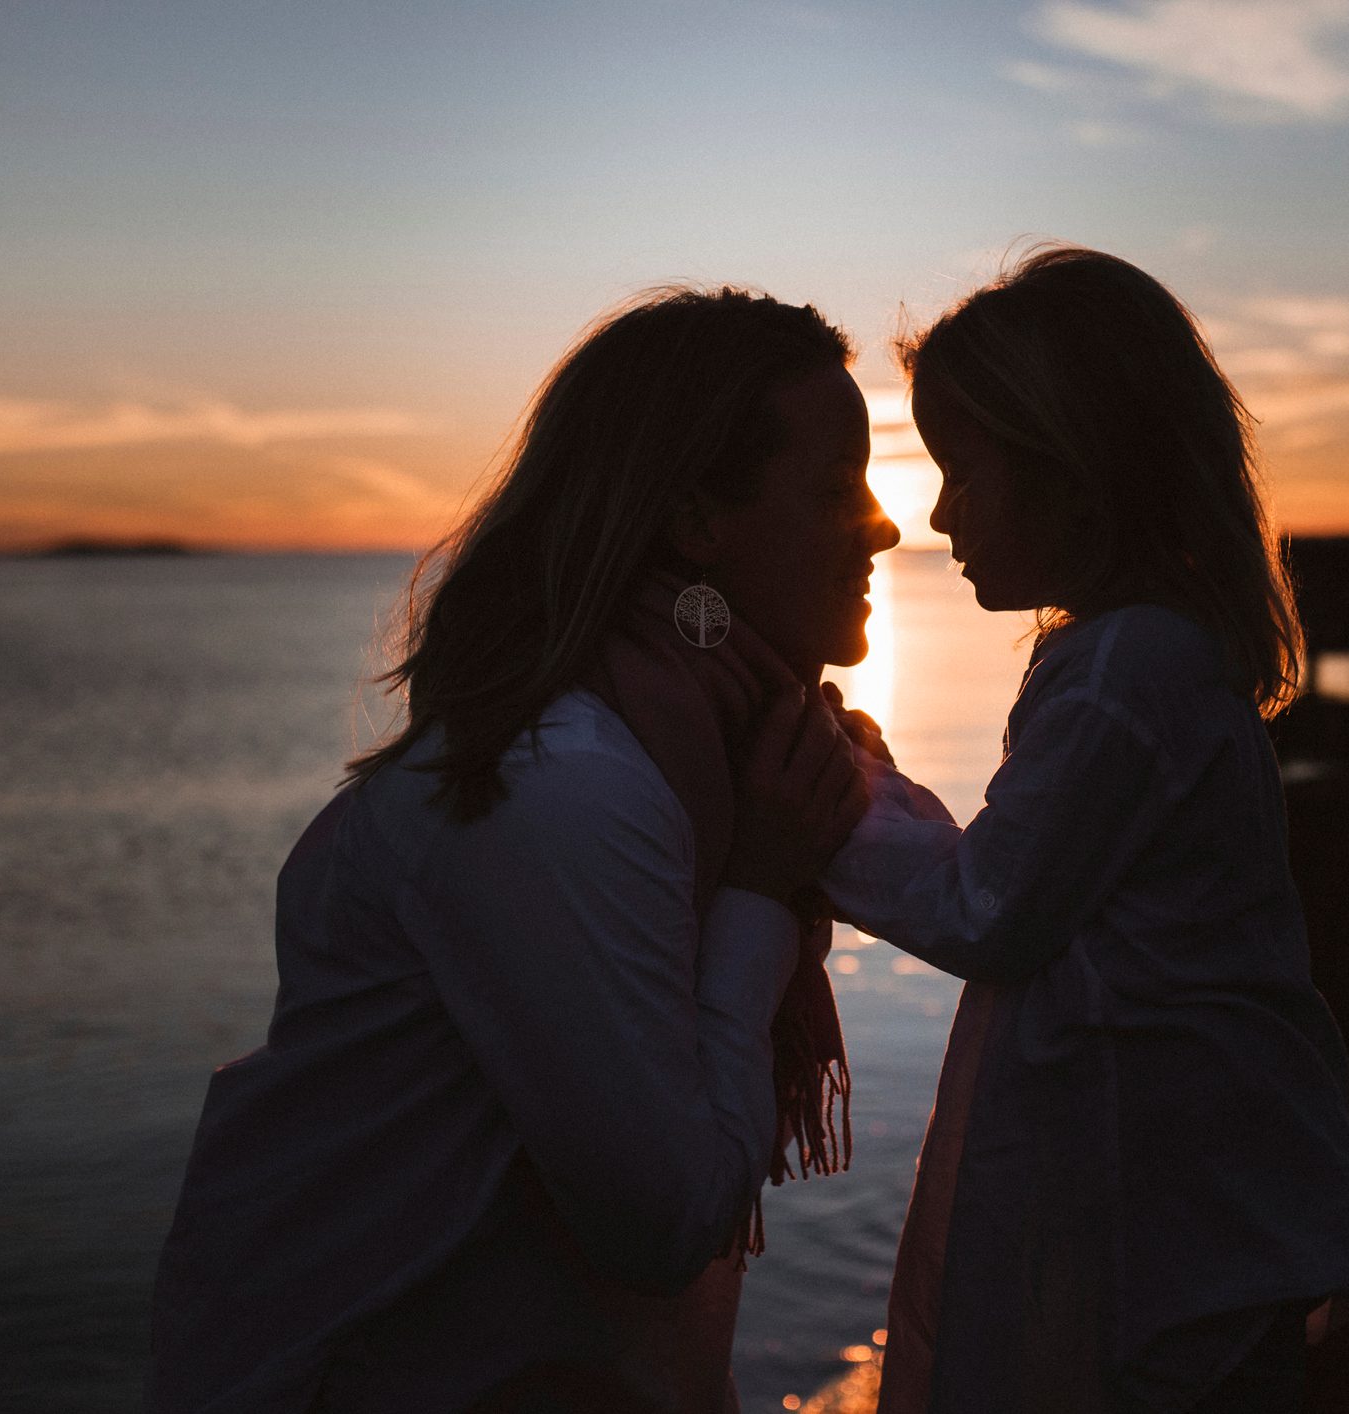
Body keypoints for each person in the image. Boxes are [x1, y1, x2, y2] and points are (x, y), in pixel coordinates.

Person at [147, 285, 901, 1413]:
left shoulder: (712, 745)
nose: (886, 522)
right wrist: (759, 886)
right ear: (695, 517)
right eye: (837, 486)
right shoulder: (563, 788)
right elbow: (662, 1221)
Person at [822, 247, 1349, 1413]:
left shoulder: (1128, 666)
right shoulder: (1147, 655)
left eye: (962, 471)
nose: (936, 511)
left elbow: (990, 907)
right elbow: (1023, 875)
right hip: (1192, 1194)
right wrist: (878, 789)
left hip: (1169, 1221)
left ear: (1072, 470)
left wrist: (819, 803)